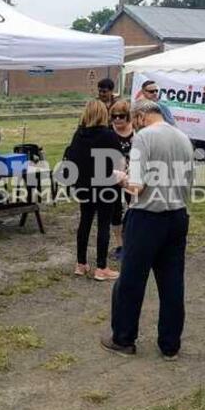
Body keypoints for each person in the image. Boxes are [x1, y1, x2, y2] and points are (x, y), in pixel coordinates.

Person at [101, 100, 194, 360]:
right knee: (172, 282)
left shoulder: (144, 138)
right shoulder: (183, 137)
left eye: (134, 119)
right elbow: (187, 182)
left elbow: (137, 187)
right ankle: (170, 344)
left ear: (141, 116)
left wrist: (121, 179)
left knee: (131, 281)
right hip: (177, 215)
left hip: (147, 217)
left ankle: (123, 338)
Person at [67, 100, 124, 281]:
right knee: (103, 225)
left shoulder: (78, 134)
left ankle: (81, 263)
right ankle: (101, 268)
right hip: (105, 186)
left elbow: (72, 158)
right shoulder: (109, 135)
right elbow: (118, 161)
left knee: (85, 222)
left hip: (84, 185)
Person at [108, 100, 134, 261]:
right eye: (114, 116)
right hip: (113, 177)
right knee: (115, 210)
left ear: (128, 116)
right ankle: (120, 244)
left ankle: (131, 241)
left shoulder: (136, 131)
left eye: (121, 116)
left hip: (133, 175)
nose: (117, 119)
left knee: (133, 209)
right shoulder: (108, 132)